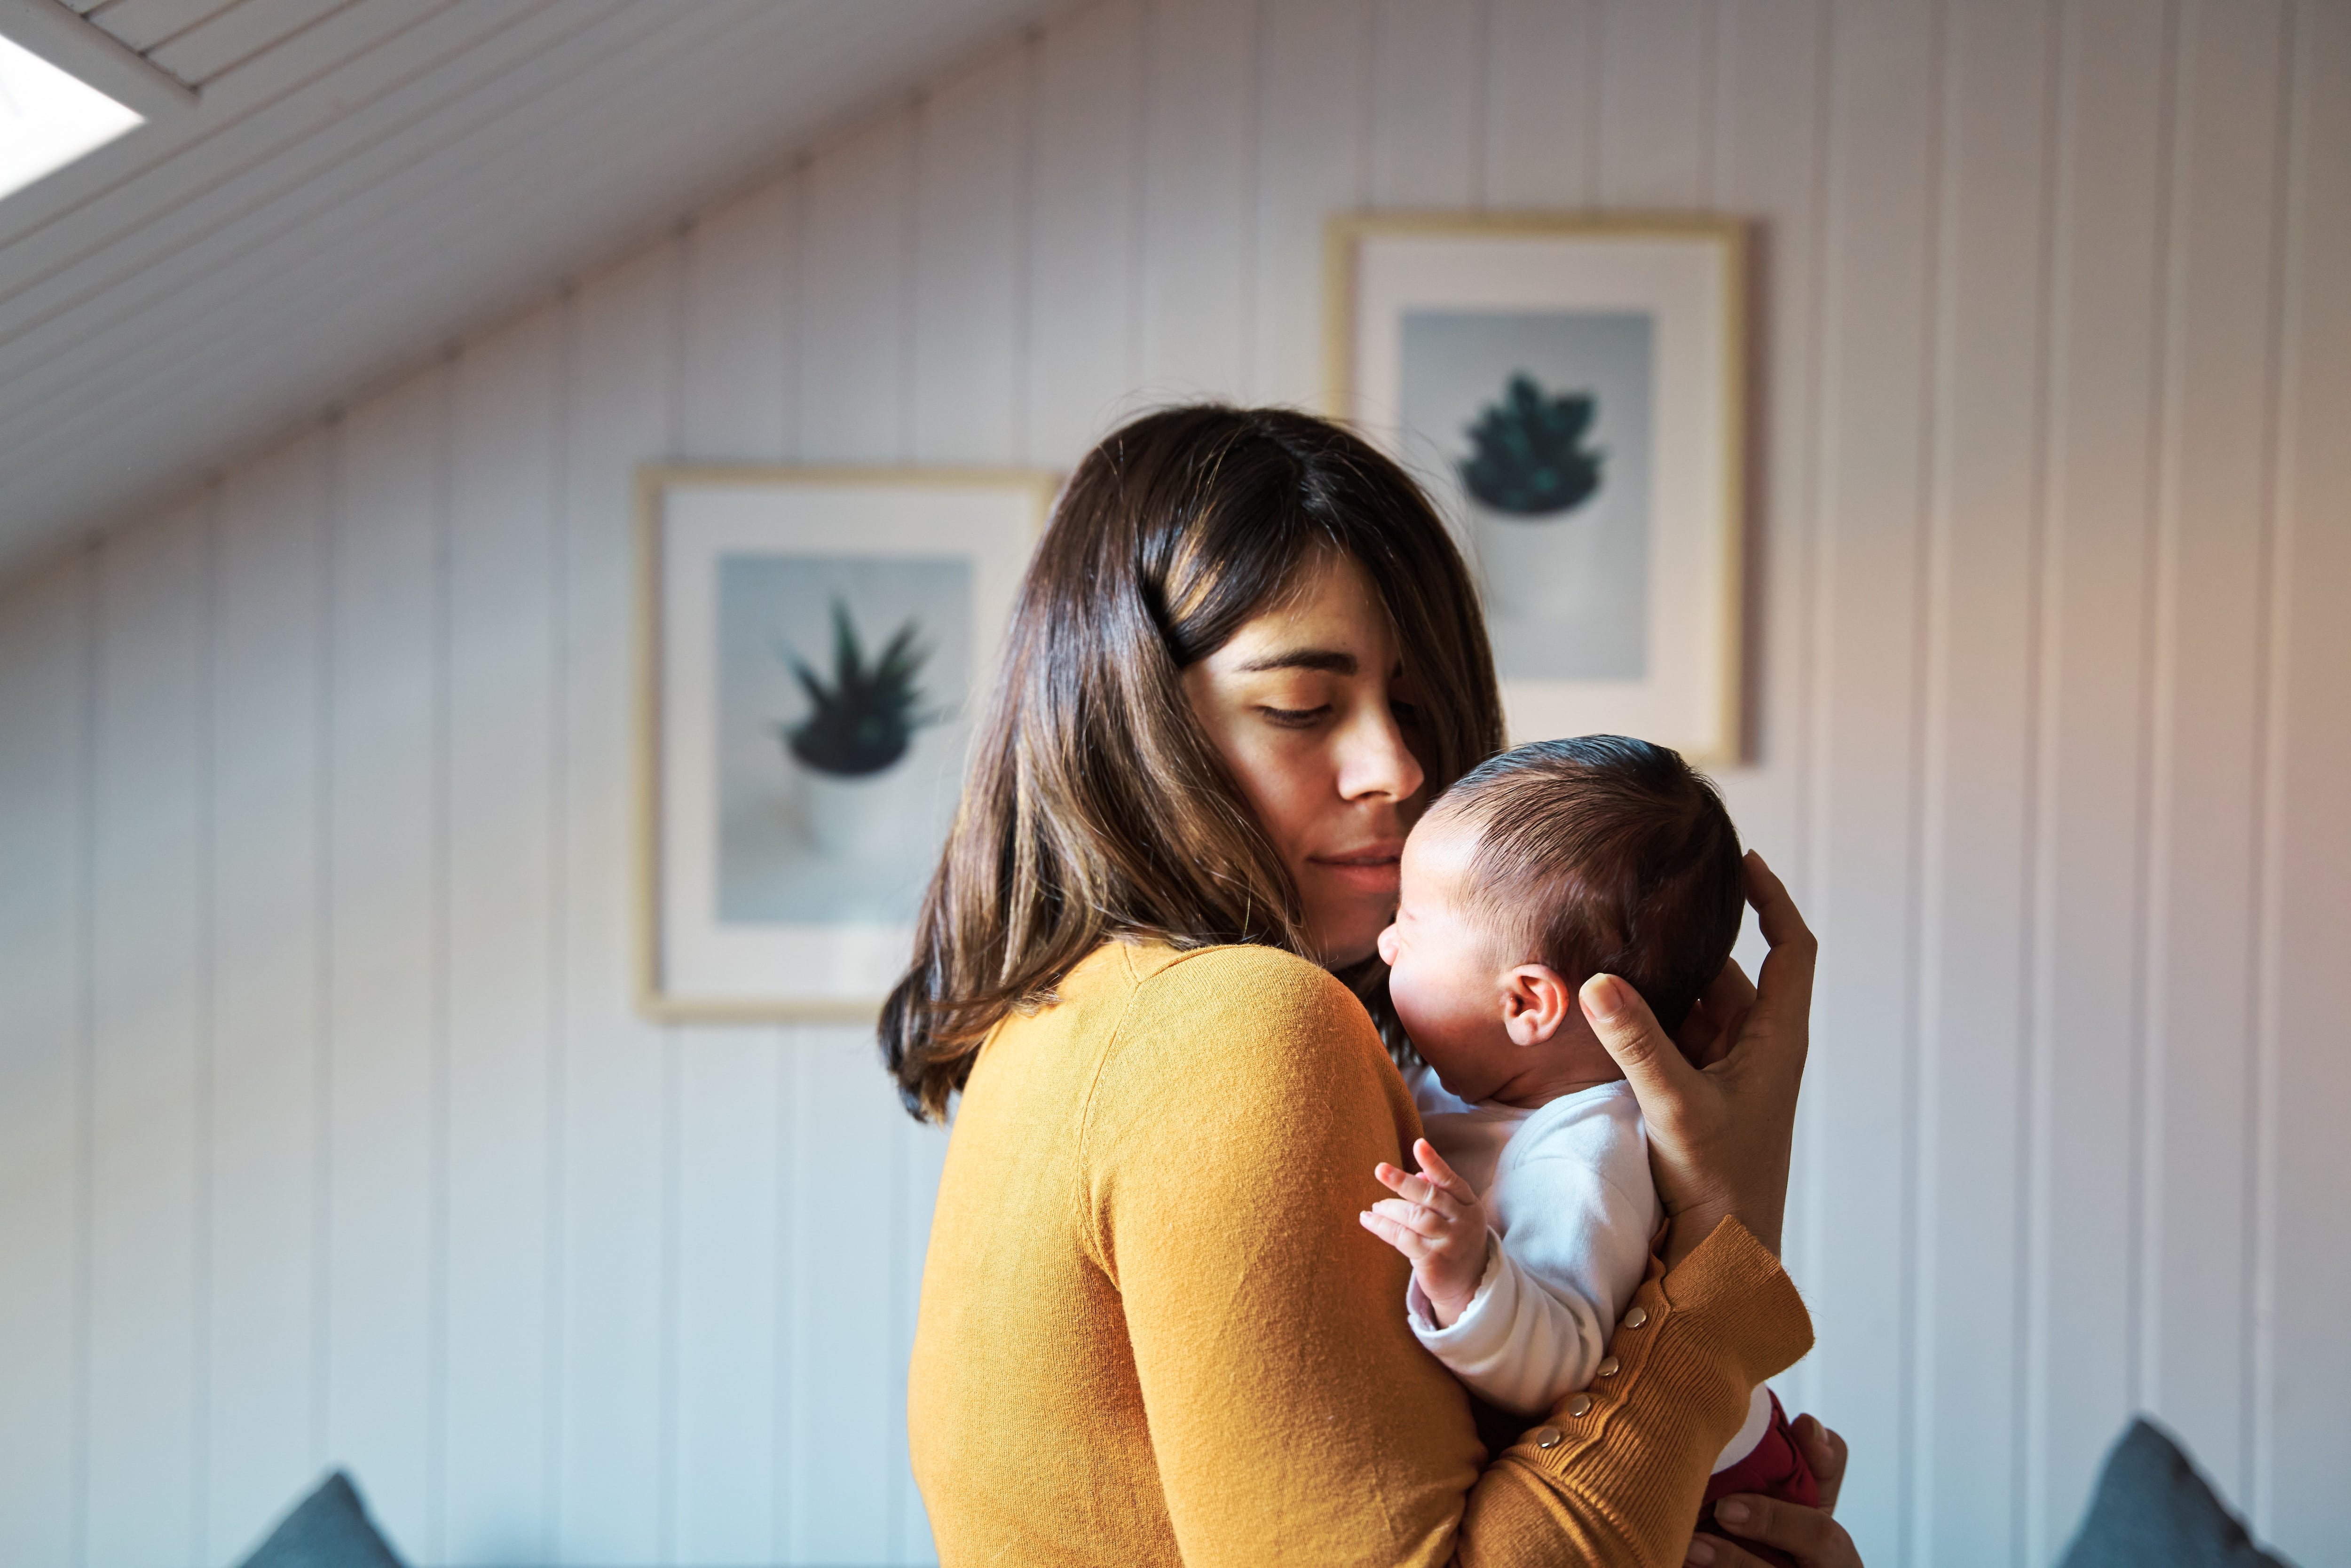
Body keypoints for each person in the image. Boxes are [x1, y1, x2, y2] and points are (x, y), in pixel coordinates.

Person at [883, 404, 1863, 1568]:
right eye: (1303, 706)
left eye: (1415, 705)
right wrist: (1719, 1253)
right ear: (1131, 722)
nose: (1395, 767)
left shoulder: (1064, 1025)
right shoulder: (1233, 1023)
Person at [1362, 736, 1821, 1567]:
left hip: (1714, 1501)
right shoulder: (1482, 1088)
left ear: (1528, 1002)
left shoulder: (1584, 1157)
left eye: (1410, 925)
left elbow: (1565, 1359)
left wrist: (1471, 1277)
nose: (1386, 945)